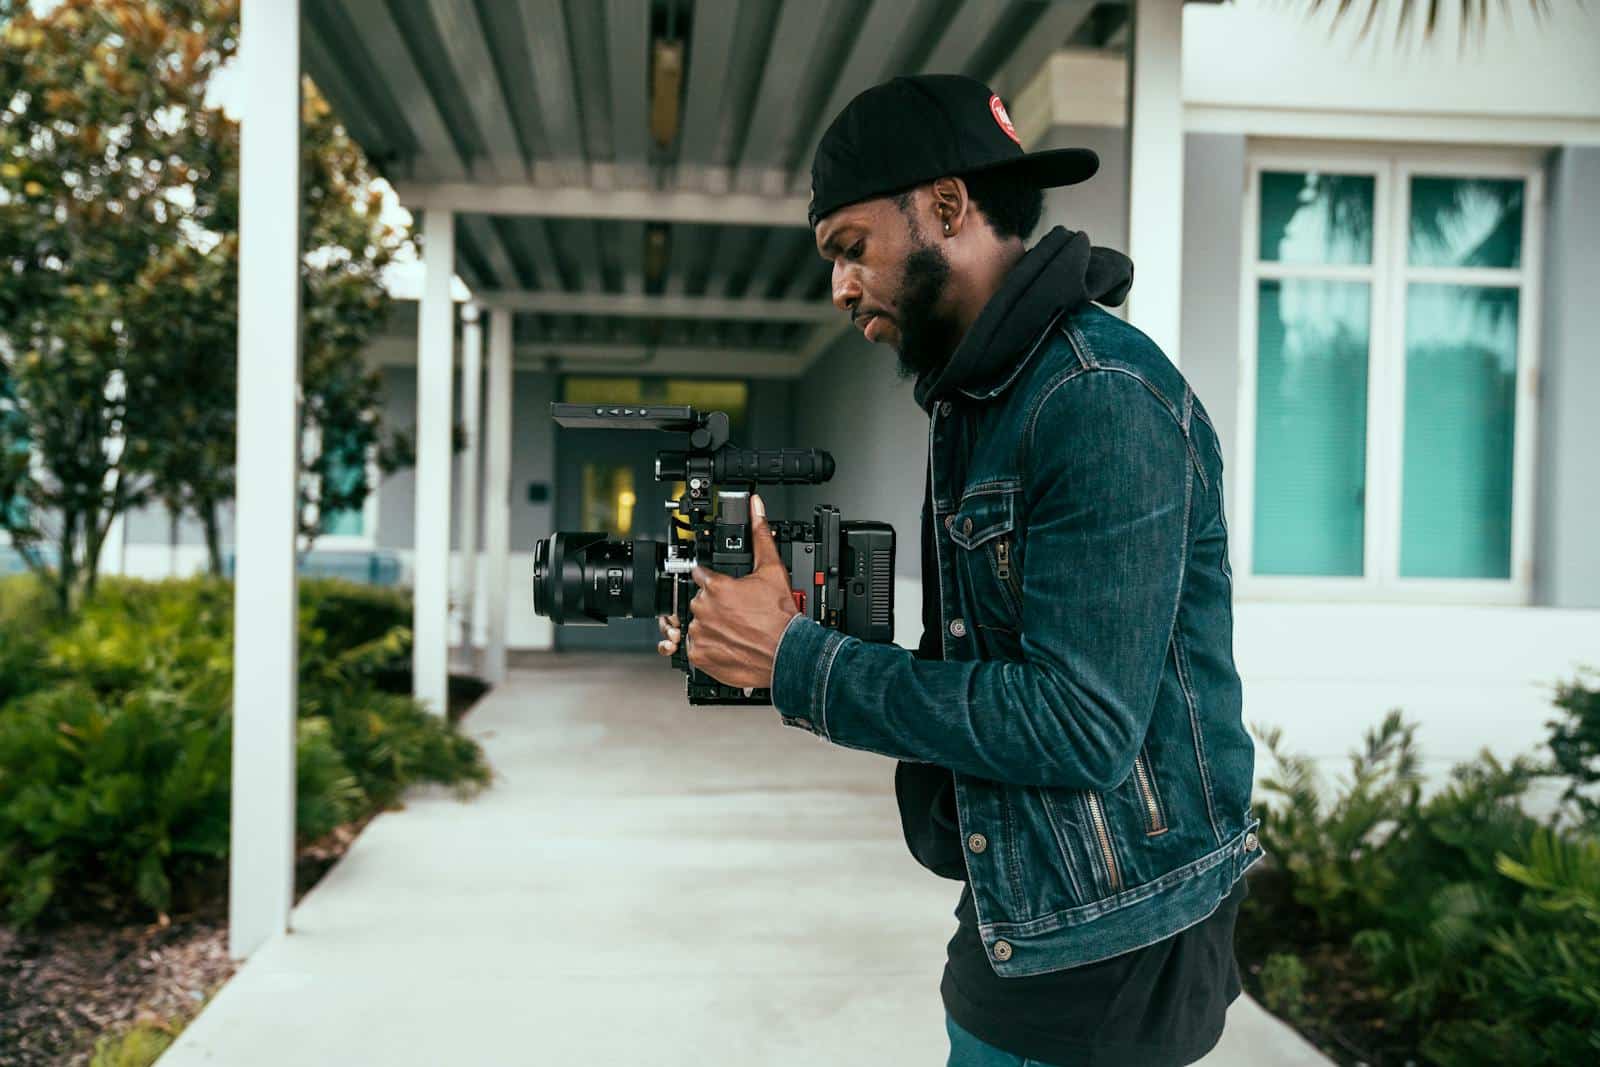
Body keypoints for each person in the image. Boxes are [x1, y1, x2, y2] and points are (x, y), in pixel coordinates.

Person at [657, 74, 1261, 1067]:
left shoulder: (1096, 395)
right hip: (1027, 905)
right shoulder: (983, 399)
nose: (841, 288)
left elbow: (1080, 723)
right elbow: (990, 666)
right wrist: (789, 638)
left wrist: (796, 660)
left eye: (850, 249)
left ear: (945, 205)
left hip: (1108, 939)